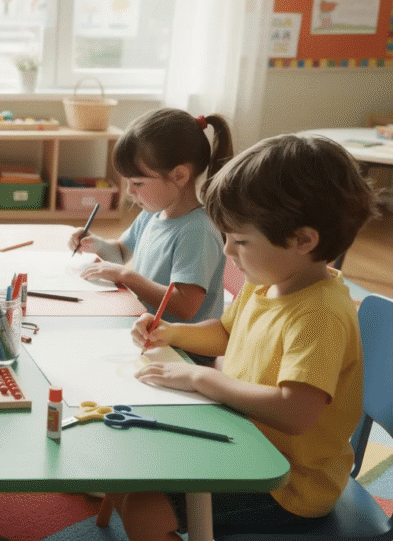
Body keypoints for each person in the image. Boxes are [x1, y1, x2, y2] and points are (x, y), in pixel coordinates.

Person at [110, 134, 378, 541]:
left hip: (288, 483)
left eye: (241, 241)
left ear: (304, 240)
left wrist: (204, 380)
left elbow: (296, 413)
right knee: (136, 458)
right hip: (243, 443)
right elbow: (228, 333)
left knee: (146, 506)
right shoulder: (268, 279)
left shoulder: (319, 315)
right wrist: (172, 331)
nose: (228, 251)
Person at [69, 108, 233, 365]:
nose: (130, 192)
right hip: (148, 334)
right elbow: (122, 252)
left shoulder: (197, 231)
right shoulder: (153, 213)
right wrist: (97, 244)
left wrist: (127, 276)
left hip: (184, 354)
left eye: (138, 183)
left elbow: (185, 306)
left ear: (179, 175)